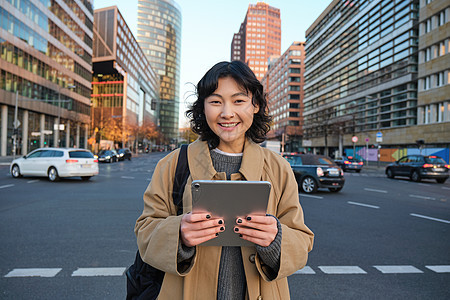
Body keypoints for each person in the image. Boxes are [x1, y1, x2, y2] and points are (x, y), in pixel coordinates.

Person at [135, 61, 314, 299]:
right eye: (216, 101)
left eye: (239, 101)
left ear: (256, 105)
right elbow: (145, 231)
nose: (227, 113)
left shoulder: (278, 167)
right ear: (203, 107)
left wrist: (275, 239)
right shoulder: (172, 164)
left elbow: (302, 241)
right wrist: (179, 235)